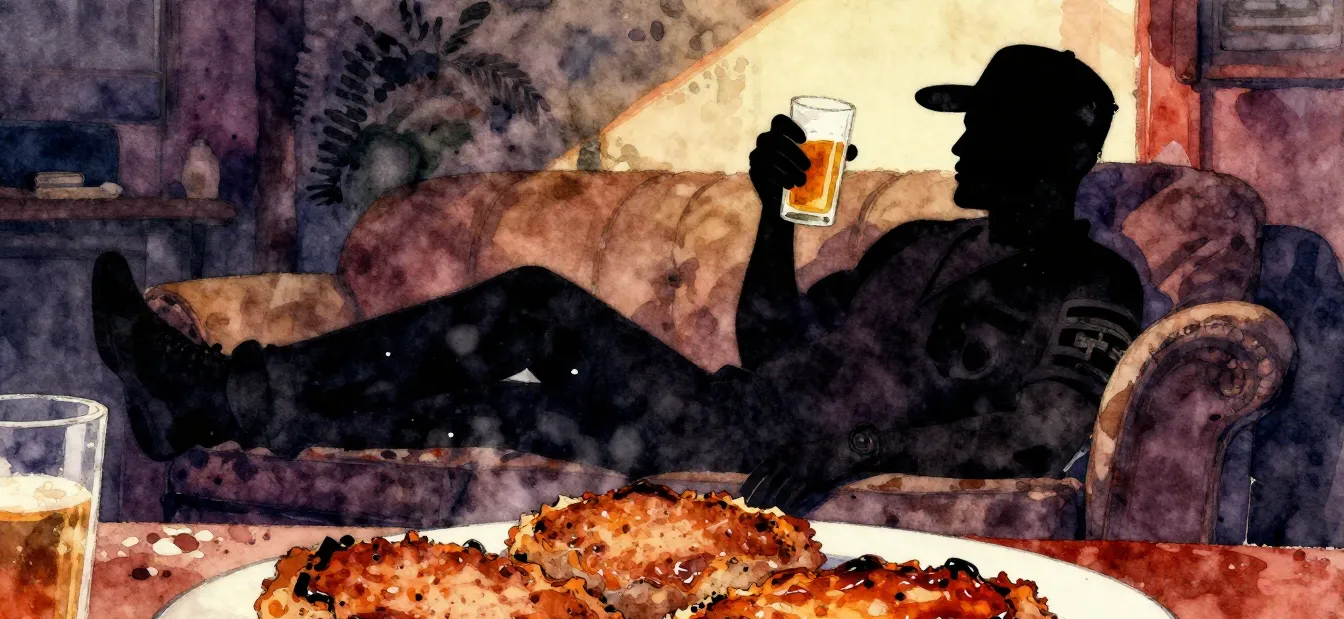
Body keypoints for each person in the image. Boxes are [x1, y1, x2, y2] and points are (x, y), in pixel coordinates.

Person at [92, 44, 1142, 515]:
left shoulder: (1089, 282)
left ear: (1047, 150)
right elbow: (774, 344)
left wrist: (853, 451)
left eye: (985, 124)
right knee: (481, 410)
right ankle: (206, 409)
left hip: (764, 454)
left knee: (536, 306)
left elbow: (1037, 431)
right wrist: (775, 218)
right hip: (728, 415)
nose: (961, 139)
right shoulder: (918, 246)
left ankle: (218, 391)